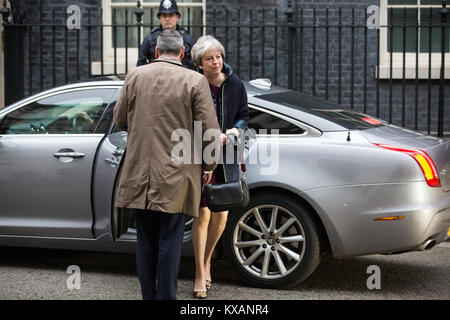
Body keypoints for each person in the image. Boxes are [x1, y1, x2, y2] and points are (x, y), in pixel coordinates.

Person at [113, 29, 220, 300]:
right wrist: (208, 167)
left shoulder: (135, 76)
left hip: (139, 173)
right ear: (183, 52)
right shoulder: (195, 81)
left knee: (145, 242)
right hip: (177, 175)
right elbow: (209, 131)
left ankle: (148, 296)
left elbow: (120, 120)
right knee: (170, 242)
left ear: (157, 51)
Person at [190, 35, 250, 299]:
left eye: (218, 57)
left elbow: (244, 115)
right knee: (202, 213)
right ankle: (199, 273)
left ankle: (208, 259)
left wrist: (235, 131)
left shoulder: (235, 84)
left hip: (226, 153)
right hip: (201, 154)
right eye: (209, 59)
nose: (216, 62)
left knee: (221, 213)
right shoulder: (193, 83)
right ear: (199, 63)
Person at [137, 0, 195, 69]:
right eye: (164, 16)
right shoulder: (150, 39)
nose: (167, 19)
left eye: (171, 15)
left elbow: (194, 65)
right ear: (159, 18)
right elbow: (141, 64)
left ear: (177, 17)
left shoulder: (187, 39)